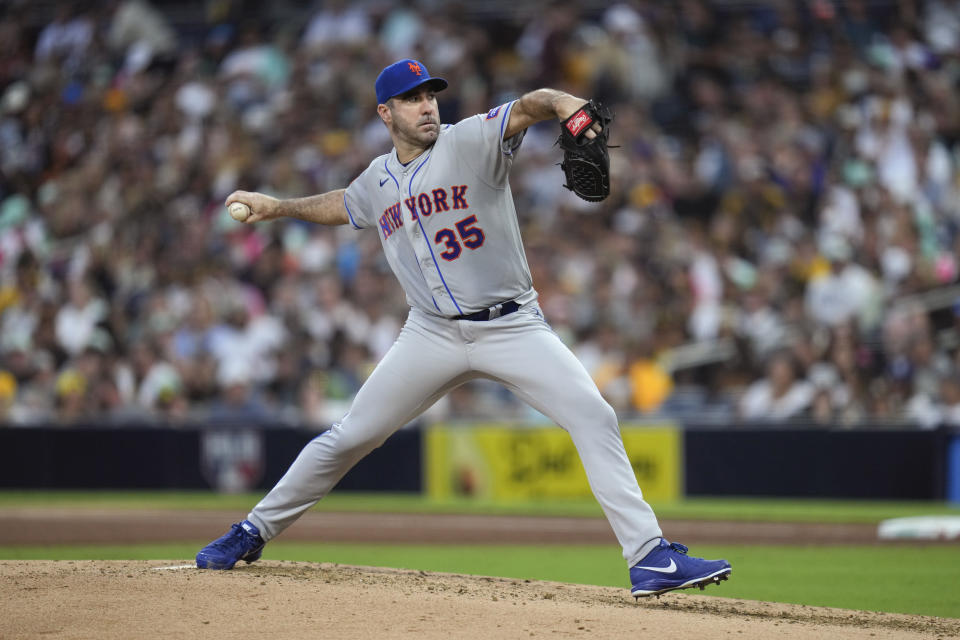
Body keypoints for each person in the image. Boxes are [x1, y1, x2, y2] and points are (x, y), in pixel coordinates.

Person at [195, 59, 731, 598]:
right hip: (429, 334)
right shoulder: (378, 178)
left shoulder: (469, 140)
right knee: (351, 436)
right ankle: (252, 531)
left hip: (511, 325)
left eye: (430, 95)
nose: (427, 105)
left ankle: (649, 558)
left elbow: (532, 104)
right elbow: (345, 205)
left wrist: (568, 106)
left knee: (594, 415)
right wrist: (278, 206)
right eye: (411, 98)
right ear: (386, 112)